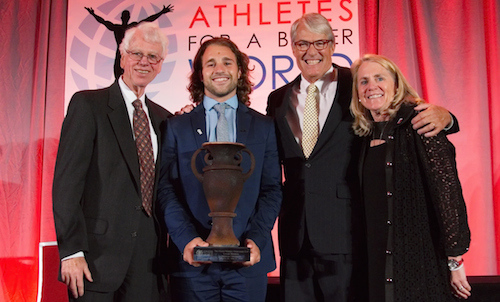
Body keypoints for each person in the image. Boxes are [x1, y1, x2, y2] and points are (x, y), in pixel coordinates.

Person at [266, 13, 458, 302]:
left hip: (346, 232)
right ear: (292, 48)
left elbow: (398, 111)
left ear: (332, 45)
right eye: (302, 43)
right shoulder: (277, 99)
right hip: (294, 236)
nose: (311, 51)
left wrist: (447, 118)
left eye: (319, 42)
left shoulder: (356, 83)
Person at [53, 22, 172, 301]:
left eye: (153, 56)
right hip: (95, 258)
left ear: (161, 64)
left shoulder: (165, 120)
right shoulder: (88, 106)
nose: (144, 62)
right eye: (137, 54)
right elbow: (67, 185)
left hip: (148, 259)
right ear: (122, 58)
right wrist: (71, 251)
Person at [157, 37, 282, 302]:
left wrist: (256, 240)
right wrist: (186, 240)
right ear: (200, 74)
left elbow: (272, 190)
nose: (219, 69)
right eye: (210, 63)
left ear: (239, 71)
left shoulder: (264, 127)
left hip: (248, 266)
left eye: (227, 62)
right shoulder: (177, 127)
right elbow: (166, 190)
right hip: (191, 265)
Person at [350, 53, 471, 301]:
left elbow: (447, 192)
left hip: (418, 256)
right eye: (363, 81)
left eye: (379, 78)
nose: (371, 86)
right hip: (375, 259)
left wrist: (455, 259)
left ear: (396, 84)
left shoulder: (421, 122)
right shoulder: (362, 134)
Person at [85, 5, 173, 79]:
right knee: (118, 77)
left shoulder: (132, 27)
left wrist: (161, 12)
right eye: (124, 15)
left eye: (127, 15)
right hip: (120, 55)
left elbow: (148, 20)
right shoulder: (117, 28)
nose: (126, 17)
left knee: (130, 78)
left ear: (129, 17)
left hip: (130, 56)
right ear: (122, 17)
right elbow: (103, 21)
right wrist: (93, 14)